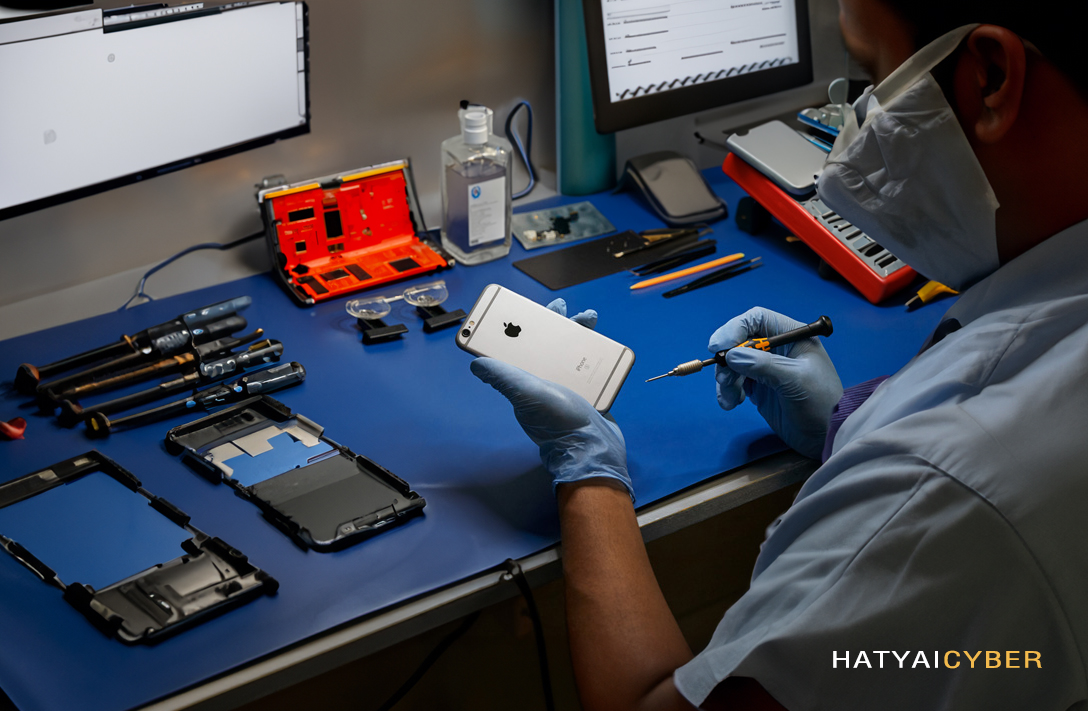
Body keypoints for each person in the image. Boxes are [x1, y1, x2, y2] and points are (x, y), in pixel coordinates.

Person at [471, 0, 1088, 709]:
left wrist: (589, 472)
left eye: (871, 77)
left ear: (989, 77)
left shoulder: (950, 492)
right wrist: (845, 421)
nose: (852, 118)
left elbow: (648, 703)